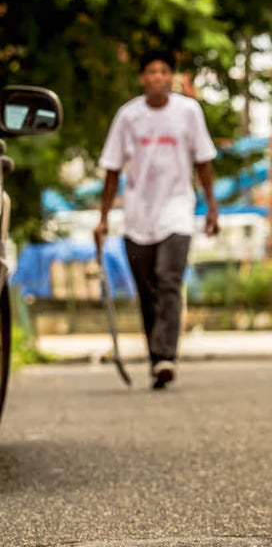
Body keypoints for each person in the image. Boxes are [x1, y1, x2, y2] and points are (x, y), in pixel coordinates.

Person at [95, 49, 219, 391]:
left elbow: (204, 161)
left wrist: (212, 207)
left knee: (168, 280)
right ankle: (156, 359)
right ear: (142, 78)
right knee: (147, 289)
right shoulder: (128, 116)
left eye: (164, 71)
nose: (158, 77)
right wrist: (103, 218)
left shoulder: (189, 112)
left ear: (172, 77)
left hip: (177, 211)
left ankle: (166, 356)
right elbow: (112, 169)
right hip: (137, 216)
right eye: (151, 71)